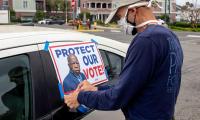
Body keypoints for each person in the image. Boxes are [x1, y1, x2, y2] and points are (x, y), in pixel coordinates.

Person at [64, 0, 184, 120]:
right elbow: (134, 86)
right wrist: (97, 89)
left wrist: (80, 97)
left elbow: (117, 97)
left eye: (120, 17)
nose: (120, 23)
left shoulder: (146, 40)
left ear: (133, 11)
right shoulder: (170, 35)